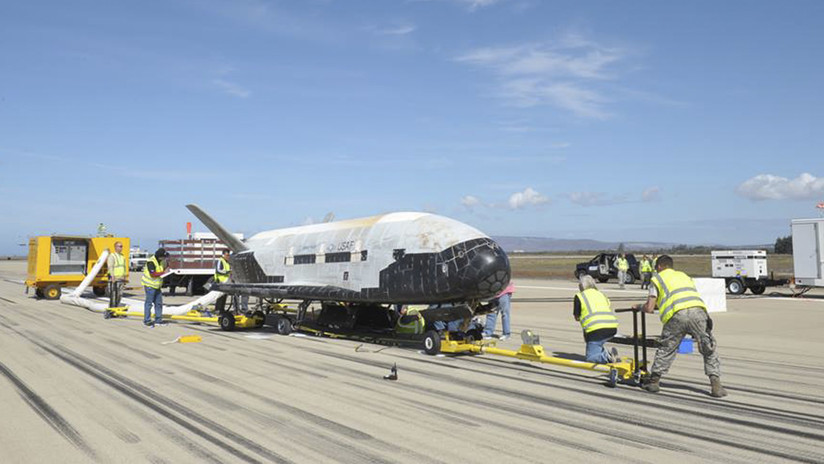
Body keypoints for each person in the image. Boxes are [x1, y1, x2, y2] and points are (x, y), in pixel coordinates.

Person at [636, 255, 727, 397]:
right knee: (708, 347)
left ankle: (654, 382)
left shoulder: (657, 279)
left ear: (659, 267)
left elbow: (649, 308)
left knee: (667, 347)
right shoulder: (684, 276)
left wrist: (638, 306)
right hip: (698, 312)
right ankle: (716, 385)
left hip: (677, 315)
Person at [573, 275, 619, 364]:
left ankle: (607, 356)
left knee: (591, 357)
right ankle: (605, 353)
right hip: (612, 328)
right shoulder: (601, 294)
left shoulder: (580, 296)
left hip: (596, 330)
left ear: (582, 286)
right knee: (597, 343)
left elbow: (577, 317)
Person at [142, 248, 169, 327]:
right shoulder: (151, 262)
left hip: (157, 286)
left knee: (159, 303)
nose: (165, 258)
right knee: (149, 303)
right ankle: (147, 320)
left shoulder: (162, 261)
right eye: (164, 257)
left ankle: (158, 320)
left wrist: (167, 268)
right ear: (159, 256)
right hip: (150, 286)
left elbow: (166, 266)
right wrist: (164, 272)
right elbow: (153, 274)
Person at [106, 241, 127, 308]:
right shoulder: (112, 256)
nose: (121, 248)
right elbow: (110, 266)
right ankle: (112, 309)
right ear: (115, 247)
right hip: (114, 279)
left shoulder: (122, 256)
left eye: (121, 246)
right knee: (113, 295)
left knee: (120, 294)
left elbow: (124, 267)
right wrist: (112, 276)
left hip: (121, 279)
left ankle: (117, 308)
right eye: (119, 246)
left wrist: (124, 277)